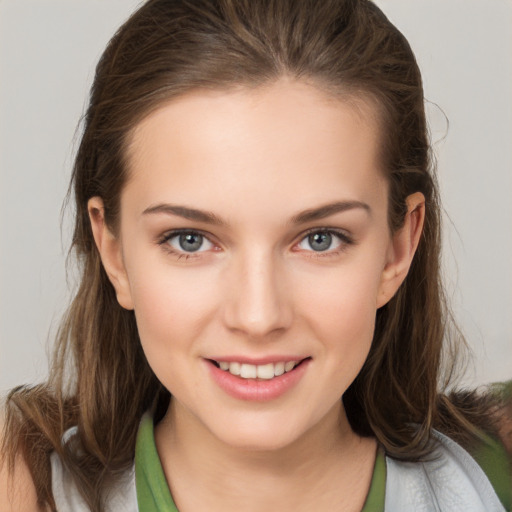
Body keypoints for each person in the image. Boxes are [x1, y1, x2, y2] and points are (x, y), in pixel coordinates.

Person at [1, 0, 510, 511]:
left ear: (398, 249)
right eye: (190, 240)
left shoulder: (496, 474)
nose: (258, 316)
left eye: (320, 239)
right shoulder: (22, 489)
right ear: (113, 253)